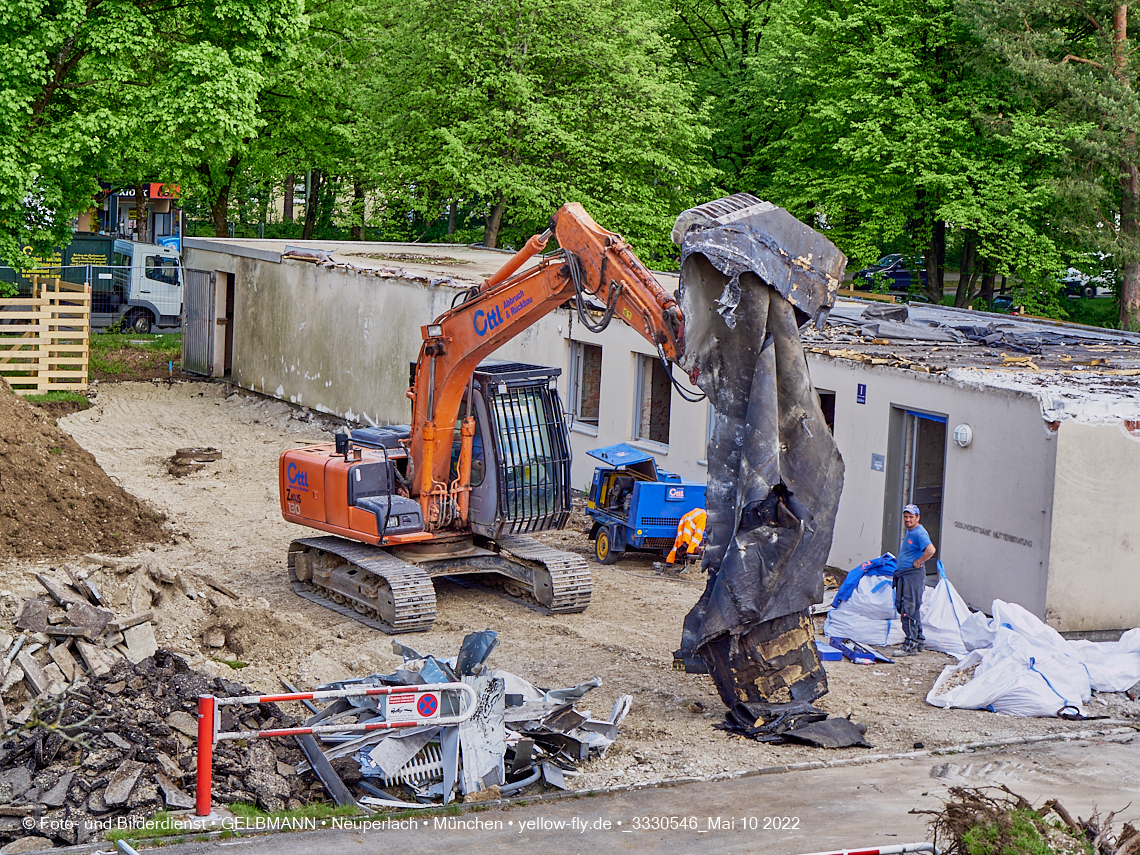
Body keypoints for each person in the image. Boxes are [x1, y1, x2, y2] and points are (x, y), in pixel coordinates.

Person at [894, 503, 936, 656]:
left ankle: (910, 644)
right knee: (912, 608)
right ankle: (918, 640)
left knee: (908, 608)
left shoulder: (919, 533)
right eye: (906, 517)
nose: (908, 520)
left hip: (912, 575)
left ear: (918, 518)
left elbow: (931, 550)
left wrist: (919, 561)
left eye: (911, 517)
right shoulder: (912, 532)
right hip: (906, 575)